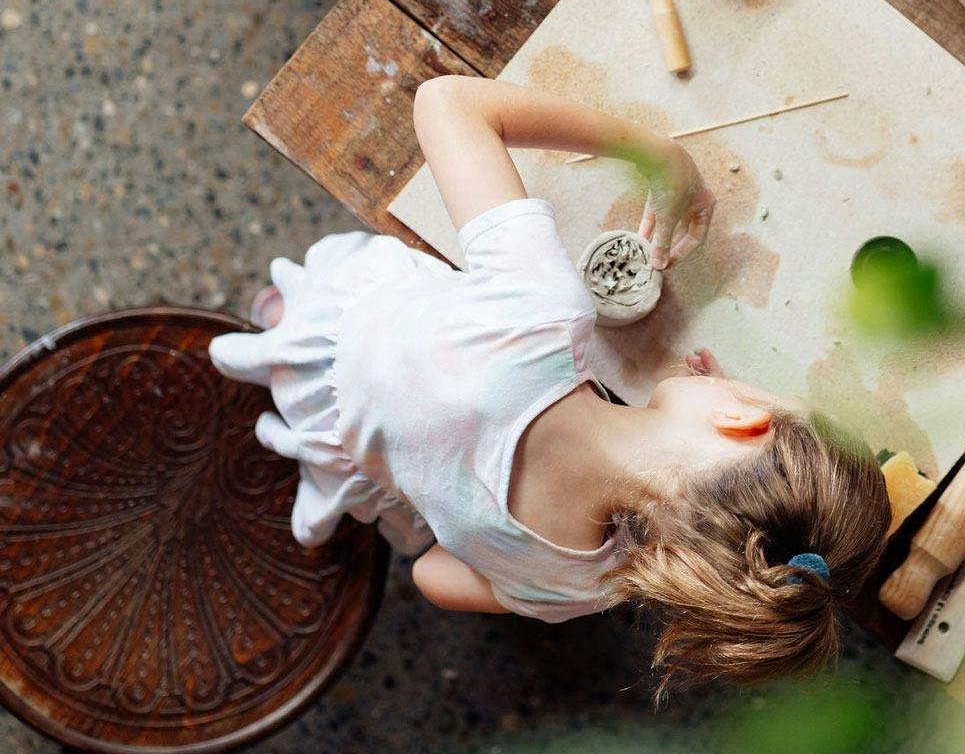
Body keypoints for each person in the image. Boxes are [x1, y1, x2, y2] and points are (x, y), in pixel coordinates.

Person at [210, 76, 891, 694]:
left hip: (338, 337)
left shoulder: (537, 312)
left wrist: (658, 153)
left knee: (306, 313)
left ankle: (276, 318)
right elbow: (428, 577)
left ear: (742, 420)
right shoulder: (584, 585)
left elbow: (445, 103)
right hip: (350, 449)